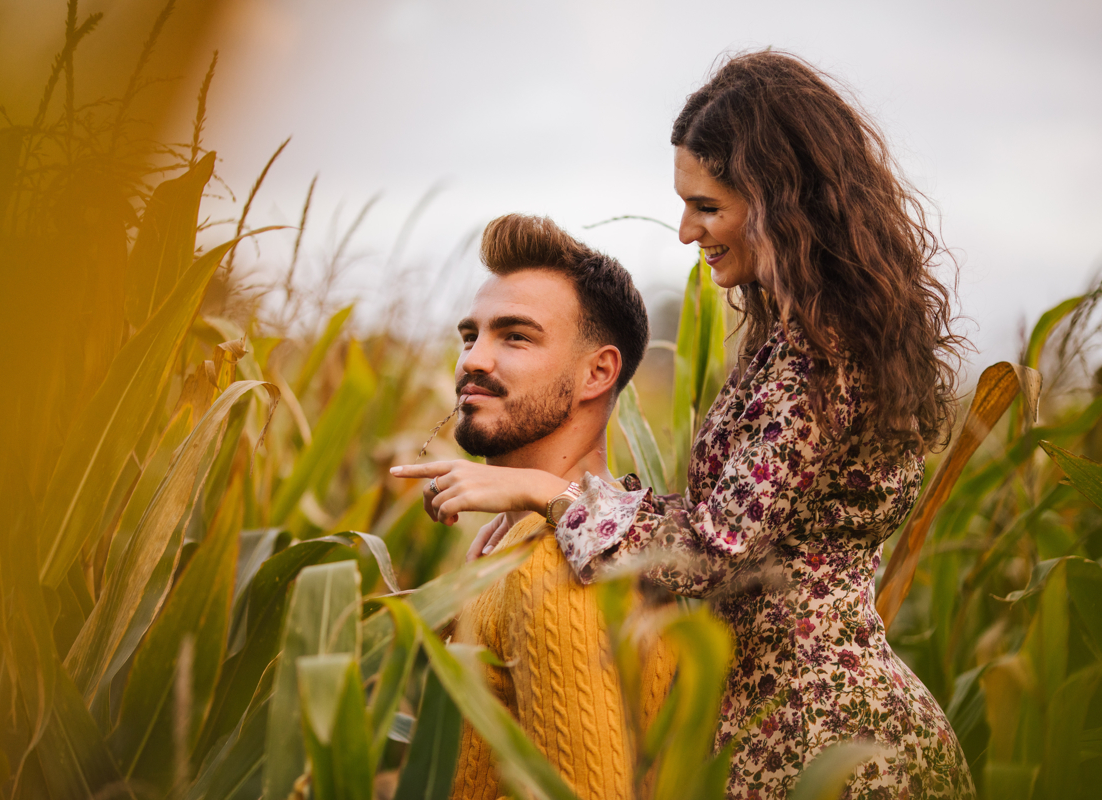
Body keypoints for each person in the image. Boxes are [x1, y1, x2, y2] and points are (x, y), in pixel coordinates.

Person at [394, 51, 976, 799]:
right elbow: (724, 525)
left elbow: (714, 551)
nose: (684, 231)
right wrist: (556, 501)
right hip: (780, 718)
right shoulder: (803, 344)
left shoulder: (819, 358)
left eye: (706, 206)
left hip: (821, 741)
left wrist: (551, 494)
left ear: (777, 201)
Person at [392, 214, 676, 800]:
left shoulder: (557, 566)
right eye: (470, 336)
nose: (473, 360)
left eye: (515, 336)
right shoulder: (542, 541)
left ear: (598, 372)